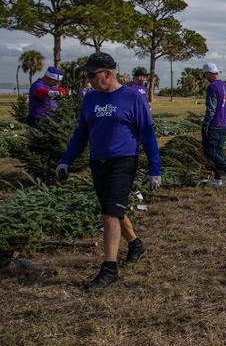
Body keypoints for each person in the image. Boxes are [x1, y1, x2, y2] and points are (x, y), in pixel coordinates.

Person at [55, 52, 162, 290]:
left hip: (123, 161)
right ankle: (136, 245)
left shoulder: (133, 98)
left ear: (108, 73)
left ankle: (109, 270)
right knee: (113, 209)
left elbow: (148, 135)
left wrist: (155, 168)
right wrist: (66, 160)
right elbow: (80, 135)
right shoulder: (90, 99)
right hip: (98, 161)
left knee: (109, 215)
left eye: (92, 75)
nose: (89, 80)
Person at [202, 63, 226, 188]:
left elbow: (211, 107)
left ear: (208, 73)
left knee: (209, 151)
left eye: (205, 74)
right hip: (223, 124)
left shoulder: (212, 87)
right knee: (218, 151)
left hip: (214, 124)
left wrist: (206, 123)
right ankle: (217, 179)